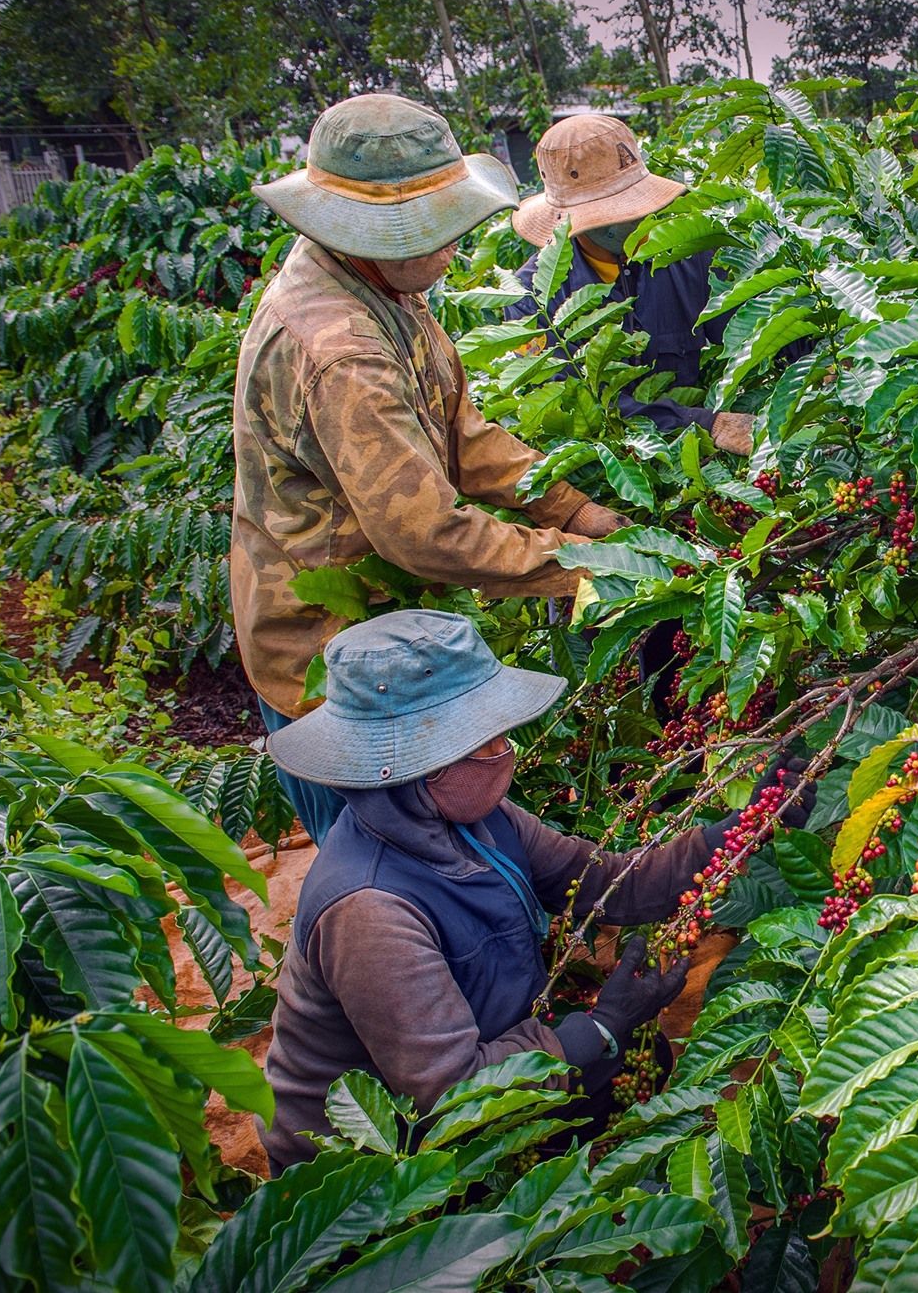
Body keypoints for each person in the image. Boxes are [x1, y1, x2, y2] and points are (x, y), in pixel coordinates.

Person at [256, 608, 812, 1173]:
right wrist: (598, 1026)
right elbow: (453, 1092)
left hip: (481, 1064)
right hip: (372, 1161)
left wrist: (742, 828)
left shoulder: (477, 822)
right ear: (420, 765)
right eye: (485, 739)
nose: (505, 750)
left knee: (636, 1064)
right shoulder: (370, 909)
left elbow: (604, 881)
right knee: (602, 1069)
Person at [234, 94, 628, 845]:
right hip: (334, 657)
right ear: (371, 233)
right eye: (438, 231)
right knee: (392, 880)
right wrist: (590, 566)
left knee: (456, 863)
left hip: (393, 631)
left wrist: (573, 508)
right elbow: (425, 534)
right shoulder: (340, 351)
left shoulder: (379, 284)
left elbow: (460, 428)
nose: (455, 249)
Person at [502, 114, 758, 456]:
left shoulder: (686, 256)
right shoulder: (530, 298)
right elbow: (569, 403)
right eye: (621, 212)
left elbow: (750, 326)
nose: (640, 218)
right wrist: (705, 423)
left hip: (696, 463)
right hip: (597, 468)